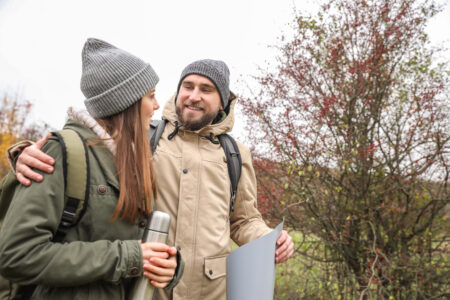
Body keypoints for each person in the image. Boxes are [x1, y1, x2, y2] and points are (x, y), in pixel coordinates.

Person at [10, 59, 295, 299]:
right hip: (146, 287)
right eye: (188, 86)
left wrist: (271, 239)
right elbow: (84, 147)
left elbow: (244, 220)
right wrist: (22, 154)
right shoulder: (143, 135)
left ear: (222, 99)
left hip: (210, 291)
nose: (194, 95)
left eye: (206, 89)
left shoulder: (235, 154)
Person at [0, 38, 182, 300]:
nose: (156, 106)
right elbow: (17, 255)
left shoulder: (131, 159)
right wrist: (129, 256)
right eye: (151, 96)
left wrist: (170, 265)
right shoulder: (62, 152)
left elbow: (138, 244)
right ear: (125, 103)